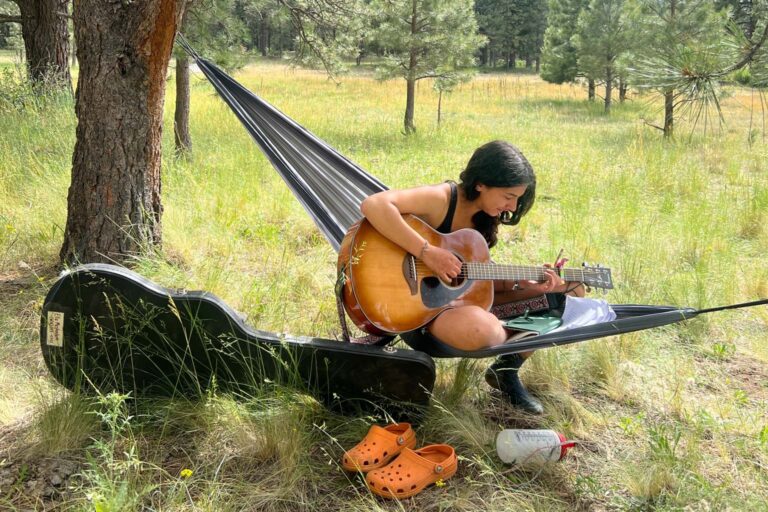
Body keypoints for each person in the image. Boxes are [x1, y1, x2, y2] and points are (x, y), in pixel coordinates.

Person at [359, 140, 585, 414]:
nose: (512, 206)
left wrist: (521, 283)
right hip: (418, 315)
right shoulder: (442, 199)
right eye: (508, 196)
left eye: (517, 198)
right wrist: (427, 252)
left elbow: (470, 280)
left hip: (457, 306)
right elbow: (374, 204)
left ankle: (506, 369)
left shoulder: (485, 217)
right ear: (481, 184)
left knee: (571, 293)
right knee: (485, 330)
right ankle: (514, 333)